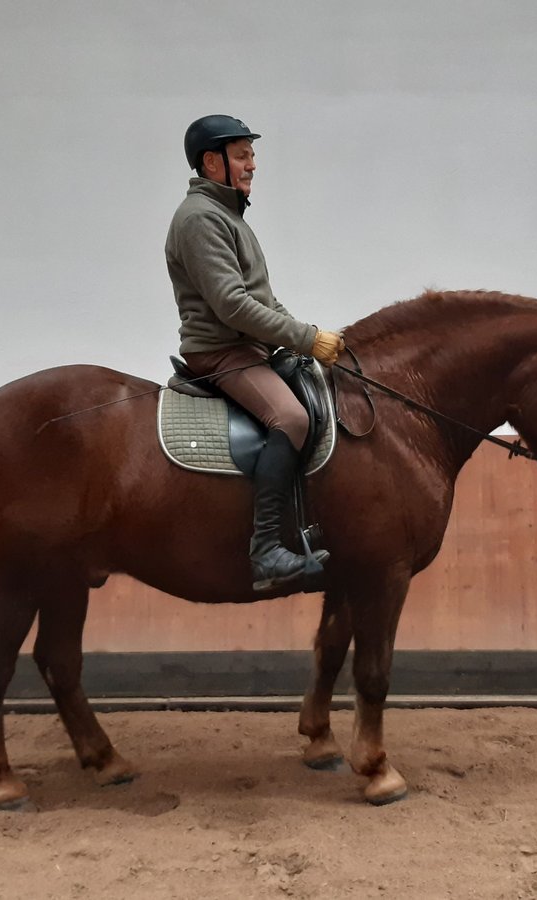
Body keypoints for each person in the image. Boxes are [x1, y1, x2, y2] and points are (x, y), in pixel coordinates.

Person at [164, 114, 345, 593]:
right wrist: (306, 338)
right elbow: (232, 304)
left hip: (248, 345)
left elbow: (264, 300)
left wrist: (306, 337)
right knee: (292, 418)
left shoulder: (229, 216)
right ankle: (265, 549)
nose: (252, 165)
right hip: (221, 352)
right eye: (242, 155)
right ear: (212, 161)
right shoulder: (200, 218)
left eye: (252, 155)